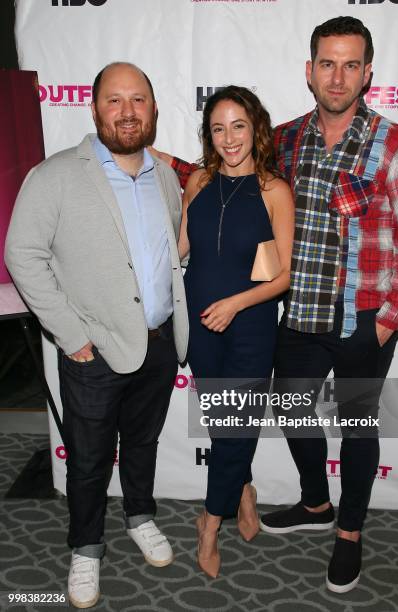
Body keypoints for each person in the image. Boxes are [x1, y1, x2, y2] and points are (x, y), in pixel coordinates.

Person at [152, 16, 398, 593]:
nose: (338, 76)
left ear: (368, 73)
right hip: (301, 314)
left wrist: (384, 325)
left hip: (363, 319)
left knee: (356, 427)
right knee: (291, 408)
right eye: (327, 63)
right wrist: (155, 158)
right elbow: (226, 168)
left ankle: (349, 532)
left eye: (350, 64)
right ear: (309, 71)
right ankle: (314, 502)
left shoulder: (394, 146)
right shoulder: (286, 138)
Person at [5, 62, 188, 609]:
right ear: (94, 109)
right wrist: (71, 335)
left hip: (157, 342)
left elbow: (166, 256)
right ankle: (85, 547)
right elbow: (23, 255)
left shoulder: (166, 175)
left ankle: (140, 515)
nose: (127, 111)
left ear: (153, 110)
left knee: (142, 443)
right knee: (86, 458)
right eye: (115, 100)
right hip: (93, 350)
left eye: (138, 100)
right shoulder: (57, 174)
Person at [179, 85, 294, 578]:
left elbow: (283, 274)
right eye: (218, 128)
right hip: (202, 325)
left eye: (238, 126)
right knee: (224, 426)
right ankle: (244, 490)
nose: (229, 139)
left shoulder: (274, 190)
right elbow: (180, 248)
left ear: (256, 128)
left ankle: (210, 524)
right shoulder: (199, 181)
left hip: (249, 327)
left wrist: (236, 304)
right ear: (209, 133)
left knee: (236, 427)